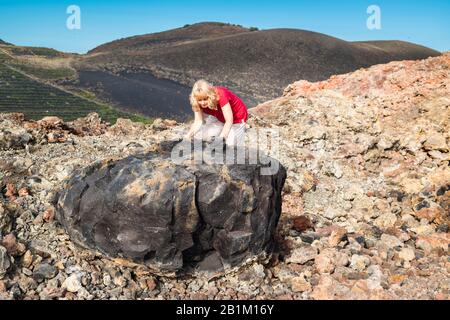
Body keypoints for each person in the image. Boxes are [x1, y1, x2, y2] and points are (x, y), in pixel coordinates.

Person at [184, 79, 248, 146]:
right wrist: (187, 136)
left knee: (230, 144)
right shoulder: (196, 102)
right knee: (204, 136)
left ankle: (241, 127)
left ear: (210, 95)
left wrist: (221, 139)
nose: (202, 103)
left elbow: (229, 121)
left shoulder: (221, 95)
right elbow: (198, 121)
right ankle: (221, 127)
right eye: (199, 100)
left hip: (237, 117)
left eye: (205, 99)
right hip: (219, 116)